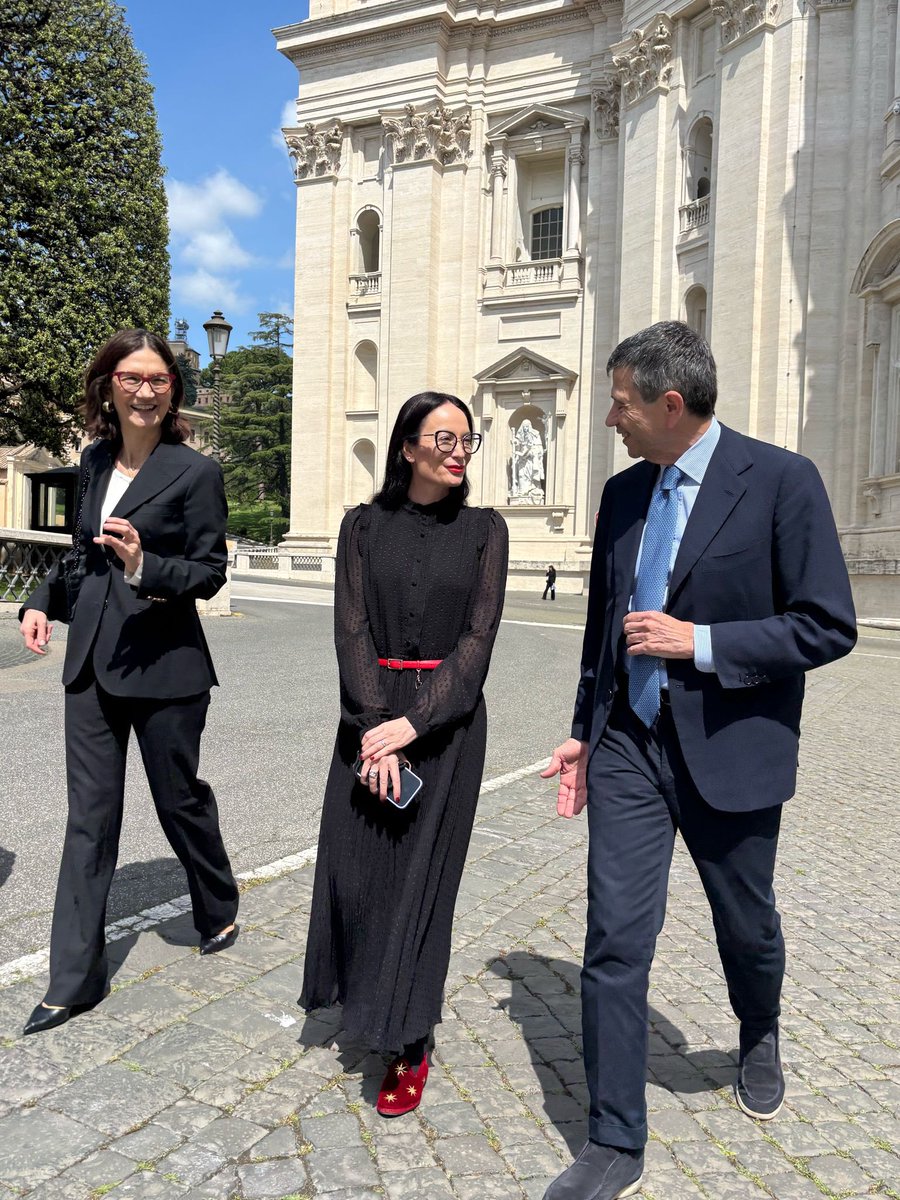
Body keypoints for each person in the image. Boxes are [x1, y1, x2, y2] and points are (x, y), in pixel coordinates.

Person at [540, 321, 857, 1200]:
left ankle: (759, 1030)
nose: (611, 417)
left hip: (732, 752)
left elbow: (828, 624)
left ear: (670, 405)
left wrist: (700, 642)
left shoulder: (783, 481)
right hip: (629, 748)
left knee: (744, 923)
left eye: (621, 402)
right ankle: (613, 1141)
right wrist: (582, 727)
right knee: (614, 940)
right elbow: (605, 628)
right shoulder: (621, 496)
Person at [19, 328, 240, 1036]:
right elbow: (83, 556)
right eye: (131, 377)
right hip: (89, 666)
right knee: (89, 819)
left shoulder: (195, 473)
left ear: (173, 390)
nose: (144, 390)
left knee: (178, 800)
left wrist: (148, 567)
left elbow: (209, 572)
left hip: (166, 664)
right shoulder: (91, 462)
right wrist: (40, 601)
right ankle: (73, 979)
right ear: (108, 384)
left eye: (158, 379)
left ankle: (217, 901)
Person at [300, 391, 508, 1117]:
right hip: (366, 718)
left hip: (444, 728)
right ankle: (364, 999)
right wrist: (372, 722)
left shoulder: (486, 530)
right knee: (357, 871)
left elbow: (479, 639)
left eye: (466, 440)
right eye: (443, 438)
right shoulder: (361, 527)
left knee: (422, 884)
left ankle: (410, 1039)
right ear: (407, 447)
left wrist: (413, 726)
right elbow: (350, 628)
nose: (458, 451)